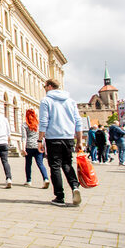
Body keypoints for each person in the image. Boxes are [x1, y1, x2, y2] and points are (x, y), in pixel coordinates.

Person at [38, 78, 82, 207]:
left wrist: (40, 140)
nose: (45, 89)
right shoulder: (70, 101)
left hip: (53, 138)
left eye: (45, 86)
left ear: (50, 86)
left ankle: (59, 196)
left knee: (55, 166)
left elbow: (44, 121)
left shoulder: (46, 101)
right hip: (68, 138)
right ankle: (75, 187)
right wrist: (79, 140)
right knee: (67, 164)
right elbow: (78, 122)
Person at [20, 109, 50, 188]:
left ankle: (29, 181)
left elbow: (24, 137)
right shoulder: (38, 124)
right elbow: (44, 136)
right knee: (40, 163)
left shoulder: (25, 125)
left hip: (29, 146)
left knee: (28, 164)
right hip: (38, 146)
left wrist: (23, 148)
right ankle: (46, 179)